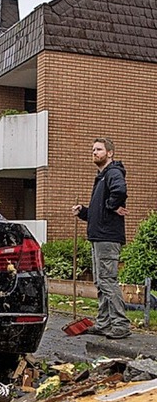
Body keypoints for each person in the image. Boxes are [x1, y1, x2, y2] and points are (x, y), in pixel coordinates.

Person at [72, 137, 131, 339]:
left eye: (98, 149)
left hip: (108, 237)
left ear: (110, 153)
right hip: (98, 236)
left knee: (107, 280)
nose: (94, 152)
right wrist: (83, 212)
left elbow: (120, 191)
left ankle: (121, 324)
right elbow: (98, 212)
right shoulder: (101, 177)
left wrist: (112, 205)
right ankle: (104, 323)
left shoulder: (113, 172)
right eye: (93, 149)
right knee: (100, 281)